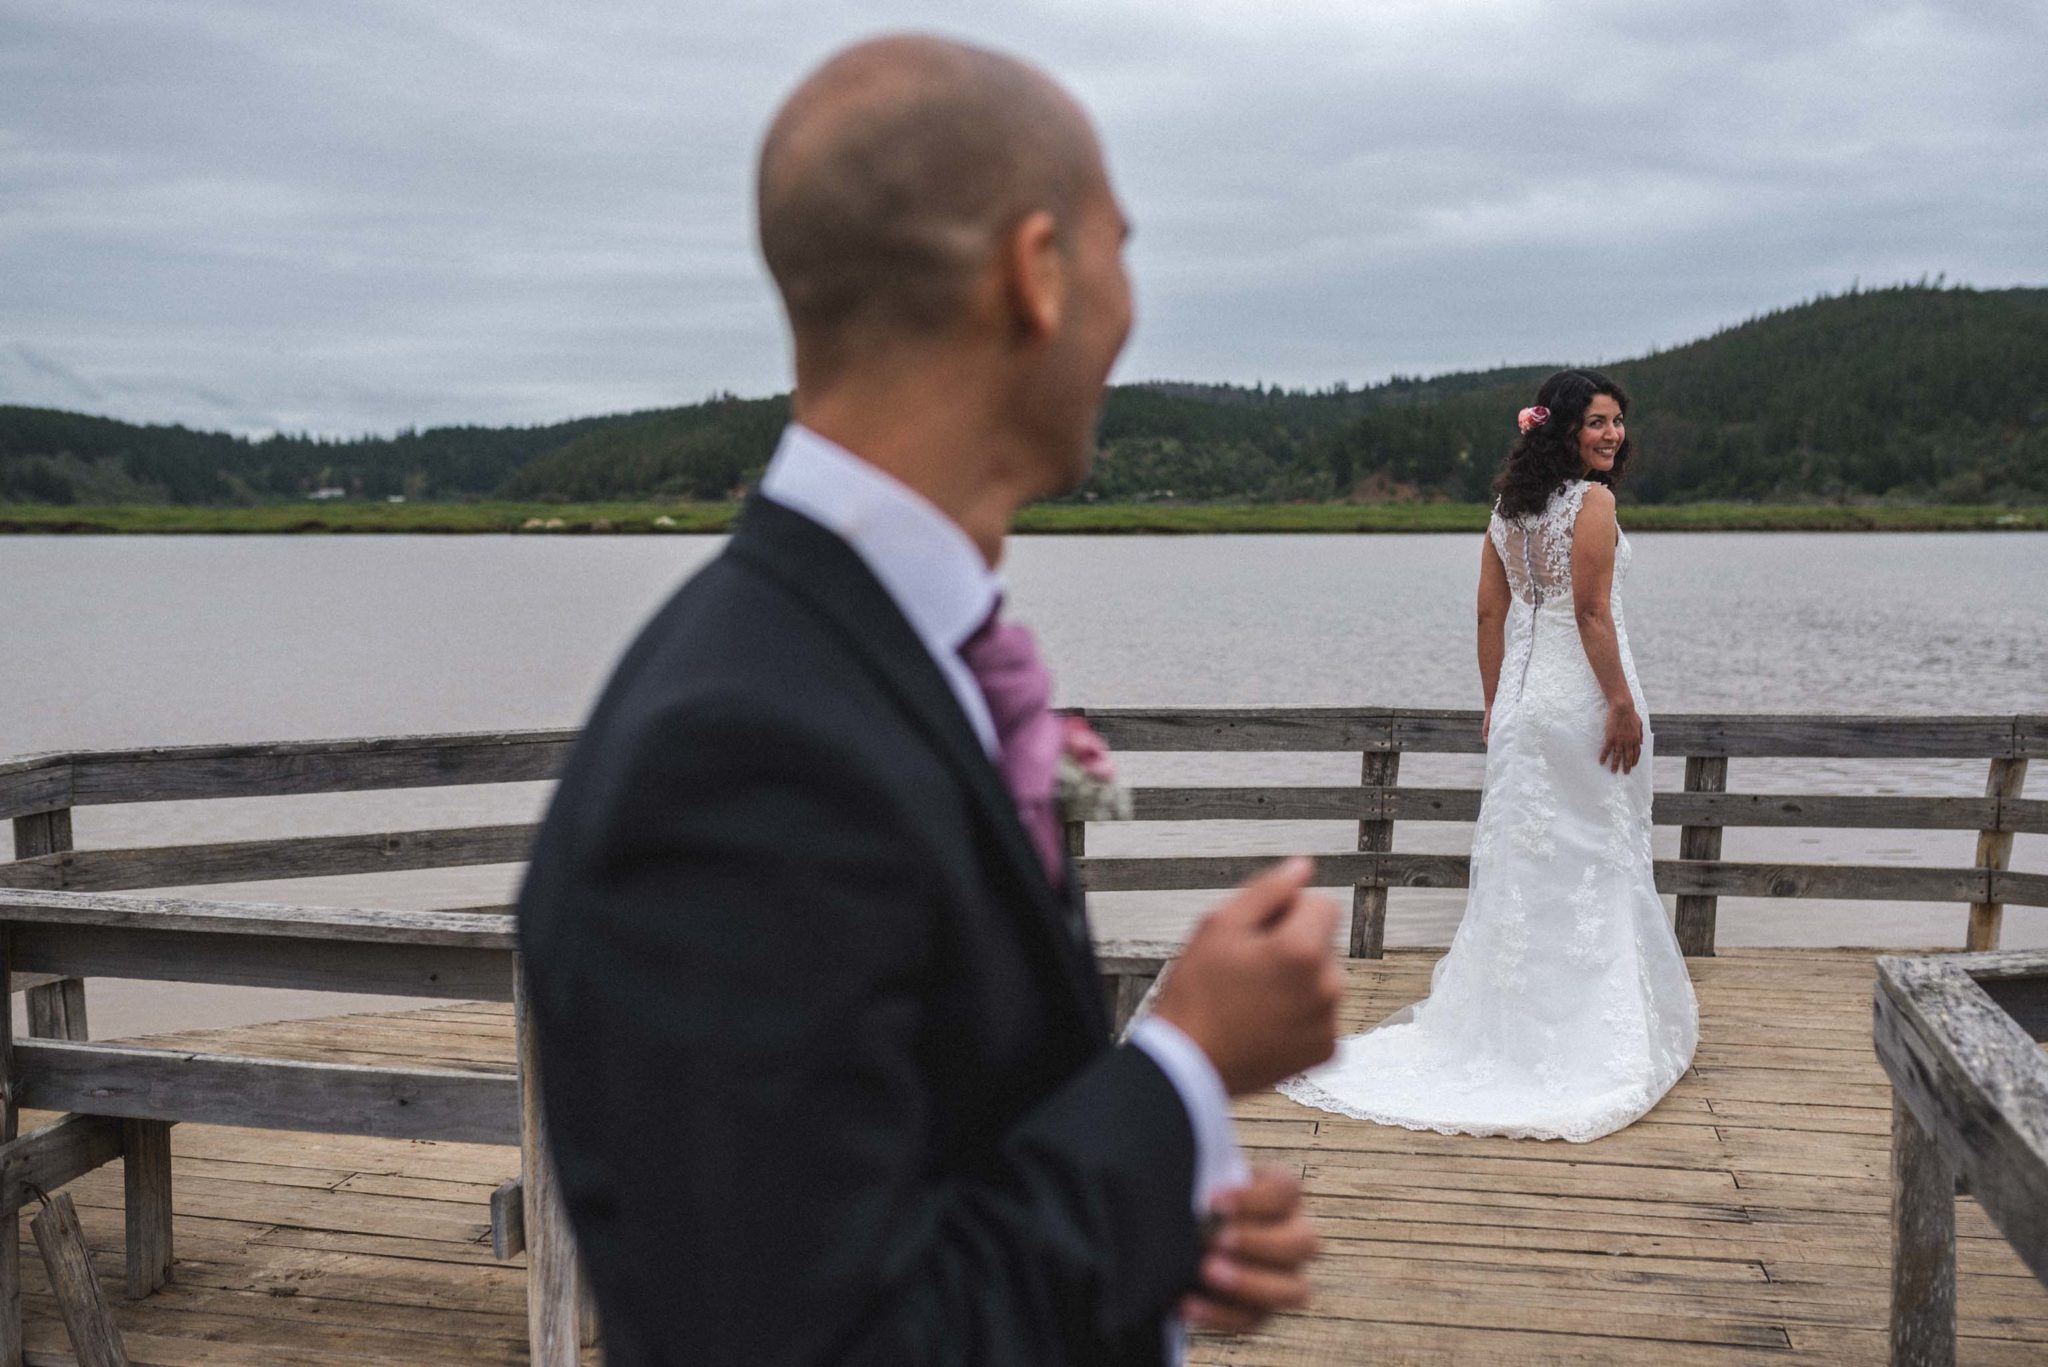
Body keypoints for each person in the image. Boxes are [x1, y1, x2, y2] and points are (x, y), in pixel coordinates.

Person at [516, 34, 1343, 1367]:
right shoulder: (739, 754)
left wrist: (1144, 1238)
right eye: (1119, 244)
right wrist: (1182, 1063)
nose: (1134, 309)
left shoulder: (873, 657)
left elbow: (905, 1182)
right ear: (1035, 272)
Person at [1281, 368, 1699, 1143]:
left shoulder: (1509, 511)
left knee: (1525, 866)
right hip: (1581, 704)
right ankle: (1587, 1039)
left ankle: (1508, 1032)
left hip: (1522, 707)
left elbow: (1488, 609)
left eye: (1618, 422)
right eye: (1599, 422)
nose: (1614, 435)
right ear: (1564, 428)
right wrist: (1619, 703)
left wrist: (1495, 701)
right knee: (1595, 858)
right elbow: (1591, 611)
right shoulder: (1594, 503)